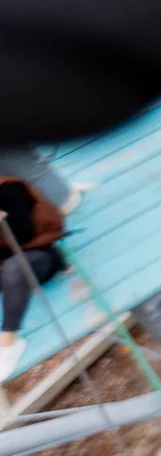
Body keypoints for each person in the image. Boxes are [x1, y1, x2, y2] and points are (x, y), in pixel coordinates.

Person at [0, 145, 87, 381]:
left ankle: (9, 342)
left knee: (14, 268)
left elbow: (24, 235)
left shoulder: (8, 189)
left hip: (35, 257)